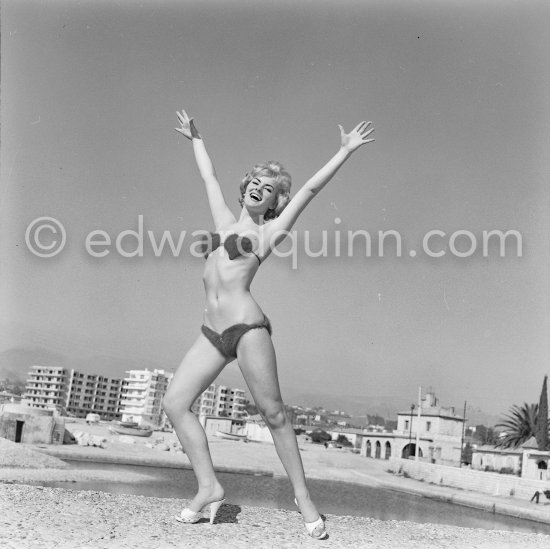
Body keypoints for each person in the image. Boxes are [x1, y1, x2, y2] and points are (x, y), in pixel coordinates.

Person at [162, 109, 374, 539]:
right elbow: (209, 178)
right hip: (211, 333)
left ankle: (303, 497)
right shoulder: (223, 221)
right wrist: (196, 139)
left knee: (274, 414)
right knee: (174, 403)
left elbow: (311, 190)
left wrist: (345, 151)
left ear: (274, 202)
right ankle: (208, 486)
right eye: (255, 183)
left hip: (247, 330)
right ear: (245, 190)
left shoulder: (269, 233)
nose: (260, 189)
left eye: (270, 189)